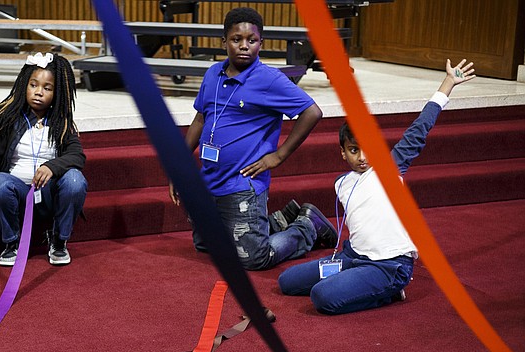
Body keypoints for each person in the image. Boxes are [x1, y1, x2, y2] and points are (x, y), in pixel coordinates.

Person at [278, 59, 476, 315]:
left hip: (388, 266)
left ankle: (391, 293)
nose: (362, 157)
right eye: (353, 150)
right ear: (342, 153)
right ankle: (354, 280)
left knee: (322, 297)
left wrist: (447, 84)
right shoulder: (342, 183)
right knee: (287, 282)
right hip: (352, 257)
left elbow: (419, 129)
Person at [170, 7, 336, 271]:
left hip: (242, 183)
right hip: (208, 178)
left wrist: (278, 155)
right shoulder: (213, 73)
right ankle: (280, 220)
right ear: (223, 42)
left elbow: (312, 111)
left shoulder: (268, 80)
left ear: (261, 43)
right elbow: (200, 119)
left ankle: (307, 228)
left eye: (252, 40)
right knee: (208, 246)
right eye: (236, 40)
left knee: (253, 258)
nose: (244, 46)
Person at [0, 53, 87, 267]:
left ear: (57, 93)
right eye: (33, 85)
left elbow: (77, 155)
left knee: (75, 179)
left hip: (49, 195)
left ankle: (59, 241)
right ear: (25, 84)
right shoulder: (9, 115)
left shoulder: (62, 123)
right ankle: (11, 243)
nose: (39, 92)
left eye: (47, 88)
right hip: (17, 194)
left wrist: (52, 166)